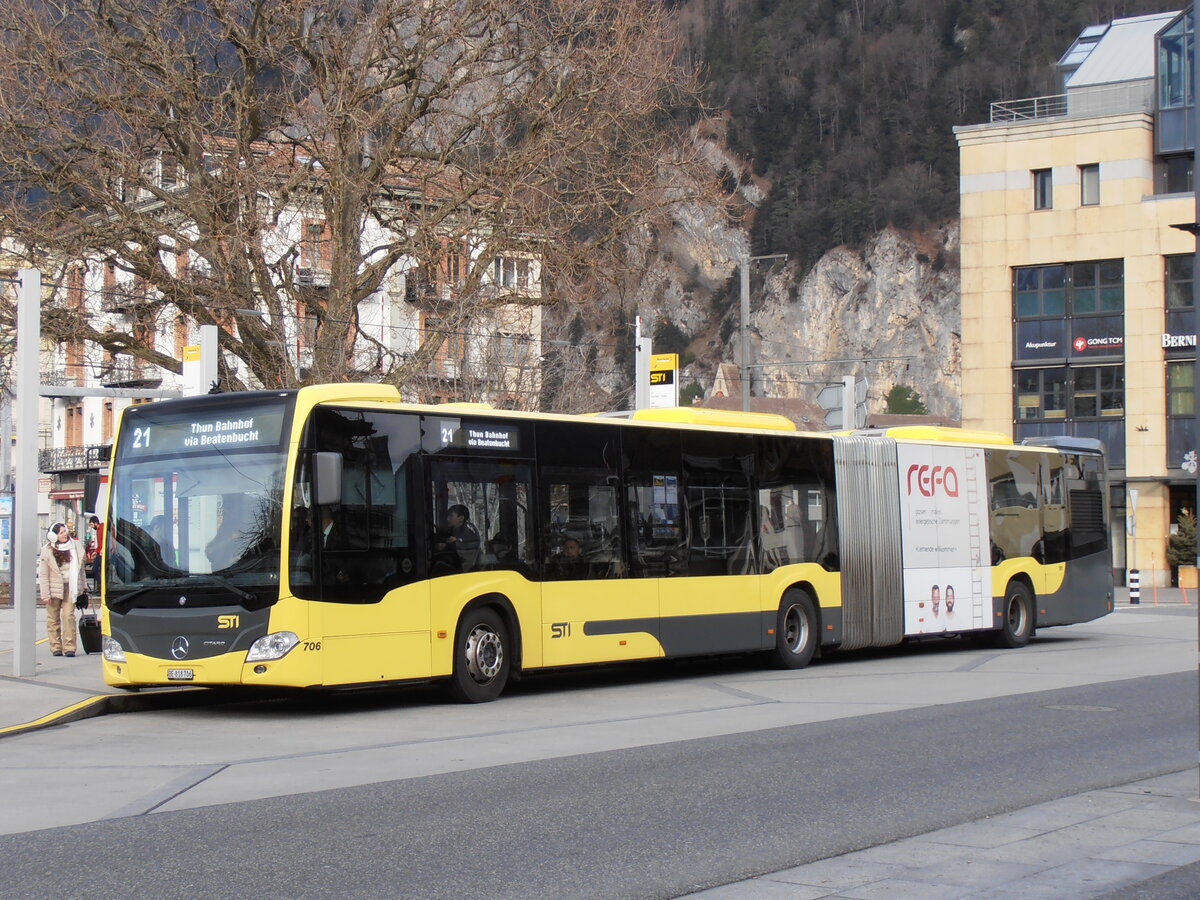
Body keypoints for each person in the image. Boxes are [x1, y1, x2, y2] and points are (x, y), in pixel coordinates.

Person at [37, 522, 87, 658]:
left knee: (68, 616)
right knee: (53, 618)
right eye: (61, 532)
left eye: (65, 531)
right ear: (53, 536)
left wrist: (83, 588)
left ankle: (70, 647)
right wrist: (45, 594)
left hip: (70, 587)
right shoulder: (47, 550)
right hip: (53, 588)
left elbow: (80, 571)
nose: (65, 534)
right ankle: (56, 647)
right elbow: (43, 574)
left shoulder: (75, 546)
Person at [436, 504, 481, 571]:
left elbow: (469, 546)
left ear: (461, 518)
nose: (448, 519)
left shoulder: (469, 533)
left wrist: (453, 543)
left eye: (451, 516)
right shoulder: (449, 531)